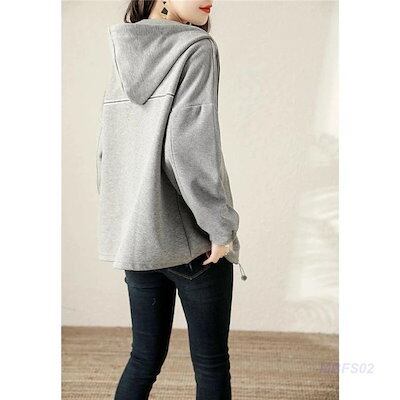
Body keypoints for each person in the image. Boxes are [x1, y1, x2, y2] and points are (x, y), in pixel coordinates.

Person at [96, 1, 247, 399]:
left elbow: (108, 152)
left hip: (138, 240)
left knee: (144, 357)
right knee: (211, 363)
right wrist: (220, 229)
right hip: (194, 244)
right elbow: (187, 151)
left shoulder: (125, 48)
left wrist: (123, 224)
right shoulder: (196, 47)